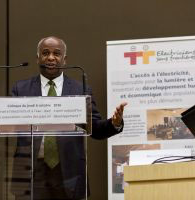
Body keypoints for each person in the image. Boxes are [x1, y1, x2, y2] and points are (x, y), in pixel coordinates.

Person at [11, 36, 127, 200]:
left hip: (70, 172)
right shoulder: (20, 89)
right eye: (45, 53)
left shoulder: (81, 90)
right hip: (31, 171)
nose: (51, 57)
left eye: (56, 54)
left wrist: (114, 123)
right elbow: (8, 122)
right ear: (38, 58)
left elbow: (94, 128)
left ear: (64, 59)